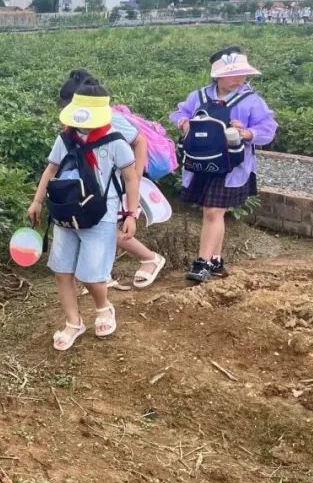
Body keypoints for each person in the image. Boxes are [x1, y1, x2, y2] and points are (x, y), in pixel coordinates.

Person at [28, 80, 141, 351]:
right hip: (66, 211)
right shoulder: (65, 138)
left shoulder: (115, 141)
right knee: (62, 270)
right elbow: (51, 170)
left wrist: (130, 213)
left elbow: (130, 177)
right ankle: (73, 322)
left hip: (100, 214)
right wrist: (37, 201)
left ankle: (103, 308)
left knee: (91, 274)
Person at [170, 48, 278, 283]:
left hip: (231, 166)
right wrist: (183, 122)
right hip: (200, 163)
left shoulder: (251, 101)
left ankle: (202, 263)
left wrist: (247, 132)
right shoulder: (198, 97)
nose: (240, 78)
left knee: (213, 211)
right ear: (217, 75)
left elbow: (268, 128)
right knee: (212, 213)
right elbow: (179, 112)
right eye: (233, 74)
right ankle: (216, 259)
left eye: (242, 74)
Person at [58, 70, 166, 289]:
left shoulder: (110, 117)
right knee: (99, 227)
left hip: (113, 182)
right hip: (93, 184)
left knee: (107, 228)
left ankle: (150, 258)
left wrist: (134, 175)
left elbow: (140, 141)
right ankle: (103, 275)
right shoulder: (76, 123)